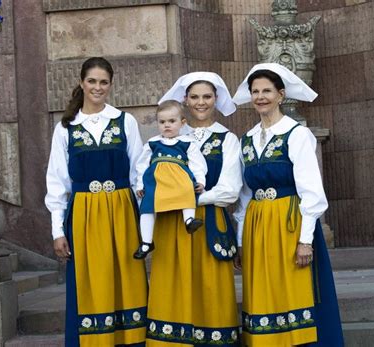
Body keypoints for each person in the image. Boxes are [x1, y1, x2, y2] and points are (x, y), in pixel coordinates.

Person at [233, 63, 344, 346]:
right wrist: (241, 240)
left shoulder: (296, 134)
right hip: (257, 227)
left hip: (289, 224)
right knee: (263, 294)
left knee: (293, 292)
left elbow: (312, 193)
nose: (260, 97)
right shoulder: (246, 140)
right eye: (255, 91)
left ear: (281, 95)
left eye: (267, 91)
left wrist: (305, 240)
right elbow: (245, 196)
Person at [45, 57, 148, 347]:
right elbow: (57, 182)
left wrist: (145, 223)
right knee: (90, 283)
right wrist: (57, 230)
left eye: (103, 82)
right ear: (81, 82)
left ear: (111, 85)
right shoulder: (66, 127)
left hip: (122, 211)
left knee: (127, 281)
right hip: (84, 215)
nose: (97, 87)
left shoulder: (124, 121)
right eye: (92, 81)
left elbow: (139, 174)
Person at [145, 72, 242, 346]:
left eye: (207, 97)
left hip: (210, 220)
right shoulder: (168, 136)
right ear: (185, 100)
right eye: (195, 97)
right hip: (172, 222)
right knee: (173, 285)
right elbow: (146, 175)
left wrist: (180, 197)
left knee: (211, 290)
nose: (201, 102)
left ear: (216, 99)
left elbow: (230, 189)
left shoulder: (228, 139)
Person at [133, 100, 207, 259]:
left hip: (180, 180)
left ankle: (189, 221)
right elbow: (141, 165)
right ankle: (146, 242)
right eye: (162, 122)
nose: (167, 125)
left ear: (182, 123)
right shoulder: (153, 144)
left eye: (172, 121)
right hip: (156, 181)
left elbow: (198, 164)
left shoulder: (187, 143)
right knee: (147, 205)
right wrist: (140, 184)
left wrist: (200, 181)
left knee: (187, 191)